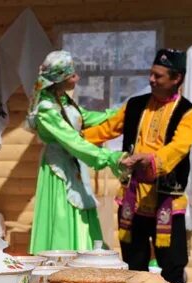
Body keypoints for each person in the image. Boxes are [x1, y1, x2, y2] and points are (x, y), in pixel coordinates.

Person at [83, 48, 192, 283]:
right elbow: (106, 129)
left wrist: (148, 160)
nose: (151, 80)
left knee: (172, 265)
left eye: (159, 76)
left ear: (176, 78)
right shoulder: (135, 105)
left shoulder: (189, 113)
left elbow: (178, 147)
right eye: (151, 74)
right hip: (133, 197)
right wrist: (74, 138)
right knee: (134, 263)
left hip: (167, 200)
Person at [27, 50, 128, 254]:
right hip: (59, 170)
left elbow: (86, 118)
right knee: (63, 216)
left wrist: (121, 114)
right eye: (72, 75)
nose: (77, 78)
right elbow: (72, 141)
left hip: (74, 166)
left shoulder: (63, 100)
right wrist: (109, 158)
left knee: (80, 212)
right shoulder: (46, 108)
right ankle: (63, 261)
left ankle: (83, 256)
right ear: (60, 79)